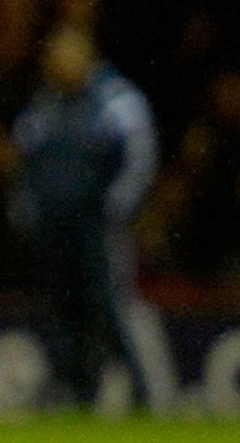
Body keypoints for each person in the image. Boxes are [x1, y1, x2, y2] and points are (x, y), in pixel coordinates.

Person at [10, 22, 159, 409]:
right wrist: (28, 208)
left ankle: (142, 392)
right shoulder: (46, 105)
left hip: (97, 225)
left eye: (64, 56)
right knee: (63, 309)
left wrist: (117, 205)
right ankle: (77, 393)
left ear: (85, 57)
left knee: (108, 305)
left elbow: (139, 158)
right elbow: (26, 161)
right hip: (56, 228)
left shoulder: (115, 100)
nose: (57, 64)